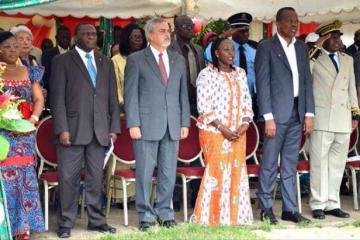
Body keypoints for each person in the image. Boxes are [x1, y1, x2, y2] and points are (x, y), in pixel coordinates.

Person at [50, 23, 120, 238]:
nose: (91, 36)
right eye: (85, 34)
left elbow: (112, 99)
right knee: (68, 179)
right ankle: (66, 223)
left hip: (100, 131)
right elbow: (57, 98)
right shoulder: (62, 61)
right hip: (71, 130)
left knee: (95, 178)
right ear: (75, 37)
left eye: (93, 34)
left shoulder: (105, 62)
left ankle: (96, 221)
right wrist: (62, 128)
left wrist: (114, 127)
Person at [124, 17, 190, 231]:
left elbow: (183, 95)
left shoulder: (178, 60)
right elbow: (130, 94)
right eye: (162, 30)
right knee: (144, 172)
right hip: (145, 124)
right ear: (150, 35)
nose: (167, 34)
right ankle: (145, 215)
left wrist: (184, 121)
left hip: (172, 123)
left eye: (168, 30)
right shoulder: (136, 60)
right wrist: (133, 122)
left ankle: (165, 212)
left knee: (169, 171)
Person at [255, 7, 315, 224]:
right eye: (289, 21)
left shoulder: (301, 47)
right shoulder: (266, 47)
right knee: (270, 163)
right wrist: (268, 116)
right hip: (276, 115)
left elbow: (307, 81)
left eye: (296, 21)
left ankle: (289, 209)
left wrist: (309, 113)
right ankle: (266, 207)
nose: (294, 25)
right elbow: (262, 84)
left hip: (297, 112)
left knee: (291, 163)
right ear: (277, 24)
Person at [190, 37, 253, 225]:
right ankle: (211, 218)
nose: (231, 53)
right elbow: (204, 106)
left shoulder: (240, 73)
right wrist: (222, 128)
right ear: (216, 53)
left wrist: (244, 124)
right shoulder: (206, 75)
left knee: (236, 172)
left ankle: (235, 218)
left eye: (232, 49)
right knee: (217, 173)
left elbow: (246, 102)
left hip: (238, 133)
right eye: (226, 50)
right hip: (214, 132)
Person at [309, 20, 359, 220]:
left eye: (339, 36)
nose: (338, 40)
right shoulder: (314, 58)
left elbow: (351, 88)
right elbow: (306, 71)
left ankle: (332, 203)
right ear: (326, 38)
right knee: (319, 163)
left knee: (337, 164)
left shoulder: (347, 59)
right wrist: (316, 47)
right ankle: (318, 203)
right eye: (334, 37)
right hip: (322, 117)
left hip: (342, 117)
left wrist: (355, 114)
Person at [0, 31, 45, 240]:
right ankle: (5, 227)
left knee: (25, 180)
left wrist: (32, 121)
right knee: (5, 181)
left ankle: (23, 228)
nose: (12, 50)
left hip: (25, 134)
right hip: (3, 135)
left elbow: (38, 99)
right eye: (7, 46)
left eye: (15, 46)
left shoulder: (29, 71)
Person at [205, 13, 258, 119]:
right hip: (228, 100)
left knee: (252, 132)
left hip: (252, 99)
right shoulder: (224, 46)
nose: (246, 34)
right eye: (241, 31)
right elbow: (208, 54)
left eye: (247, 30)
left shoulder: (254, 48)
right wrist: (223, 36)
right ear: (233, 31)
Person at [169, 15, 205, 116]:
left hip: (199, 102)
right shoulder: (169, 51)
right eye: (185, 26)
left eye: (191, 25)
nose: (190, 28)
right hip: (178, 103)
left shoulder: (199, 50)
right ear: (176, 29)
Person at [112, 23, 147, 108]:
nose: (138, 40)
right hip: (125, 109)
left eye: (140, 37)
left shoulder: (148, 59)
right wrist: (123, 104)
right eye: (134, 37)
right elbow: (115, 87)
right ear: (126, 39)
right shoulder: (116, 60)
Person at [41, 25, 71, 101]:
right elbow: (46, 75)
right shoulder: (48, 54)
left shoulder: (75, 53)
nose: (65, 40)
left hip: (72, 94)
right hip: (54, 94)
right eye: (62, 37)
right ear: (56, 38)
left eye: (67, 38)